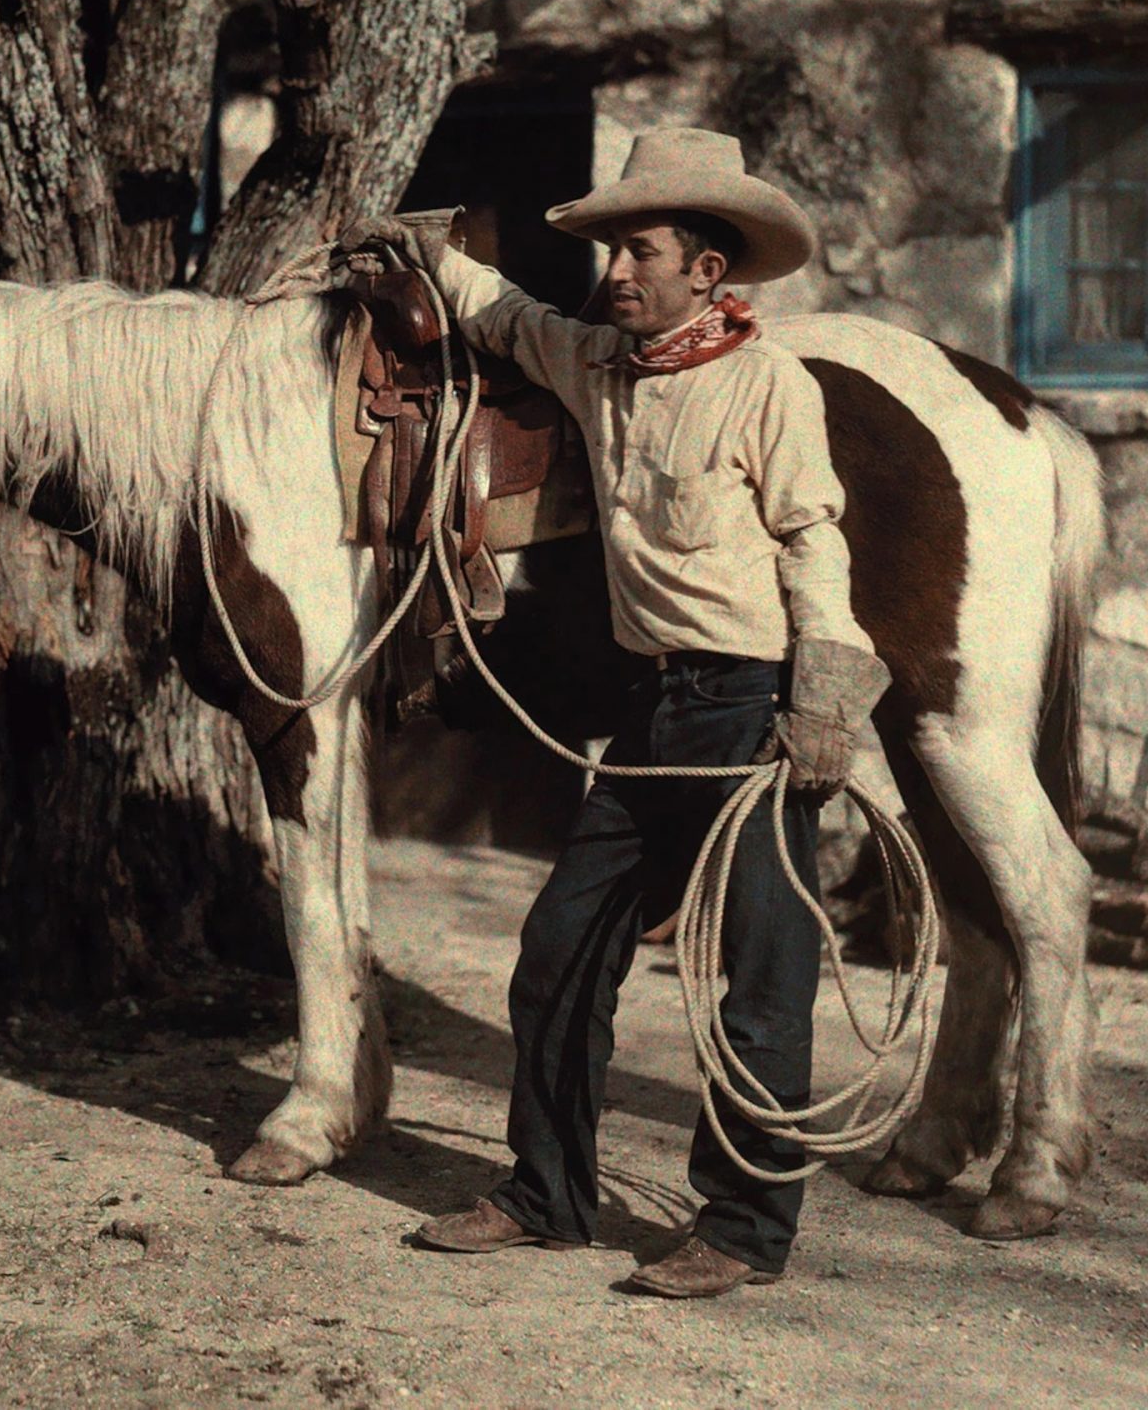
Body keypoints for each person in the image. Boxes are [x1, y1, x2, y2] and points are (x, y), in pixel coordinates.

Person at [343, 126, 889, 1299]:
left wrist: (825, 700)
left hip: (750, 709)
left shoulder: (767, 386)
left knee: (761, 979)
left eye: (642, 253)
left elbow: (812, 540)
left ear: (708, 270)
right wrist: (419, 247)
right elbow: (497, 314)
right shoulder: (596, 364)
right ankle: (545, 1194)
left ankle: (741, 1229)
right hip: (648, 713)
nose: (619, 274)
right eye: (615, 254)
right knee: (557, 953)